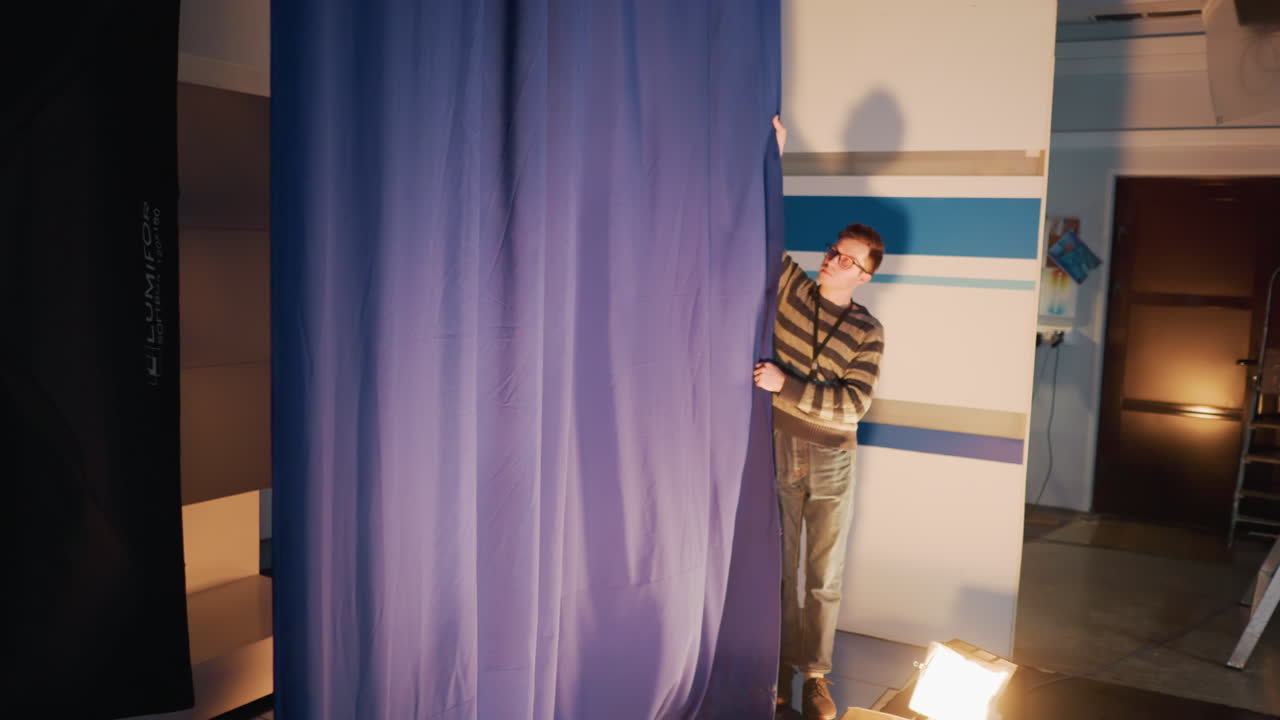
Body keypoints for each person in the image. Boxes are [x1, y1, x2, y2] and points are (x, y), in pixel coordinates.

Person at [754, 117, 886, 720]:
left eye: (846, 258)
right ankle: (777, 672)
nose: (832, 259)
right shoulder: (790, 287)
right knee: (781, 571)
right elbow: (762, 225)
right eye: (834, 250)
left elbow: (853, 405)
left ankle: (815, 678)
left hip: (833, 457)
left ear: (865, 275)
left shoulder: (867, 329)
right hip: (782, 448)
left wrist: (787, 387)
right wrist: (774, 158)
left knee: (822, 577)